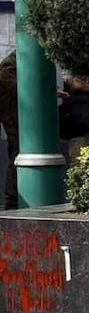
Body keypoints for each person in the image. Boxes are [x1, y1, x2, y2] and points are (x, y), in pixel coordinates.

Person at [0, 53, 17, 209]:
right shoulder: (8, 66)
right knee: (15, 157)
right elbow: (16, 89)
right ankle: (11, 199)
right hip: (12, 119)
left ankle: (12, 198)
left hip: (15, 119)